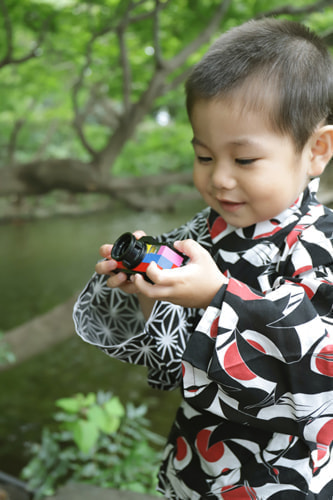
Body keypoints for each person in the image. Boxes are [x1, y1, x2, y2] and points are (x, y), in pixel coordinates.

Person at [73, 18, 333, 499]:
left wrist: (218, 298)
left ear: (316, 150)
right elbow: (175, 367)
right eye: (205, 157)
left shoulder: (321, 244)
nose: (220, 180)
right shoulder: (200, 233)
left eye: (245, 160)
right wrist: (152, 298)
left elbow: (319, 375)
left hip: (282, 480)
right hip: (197, 470)